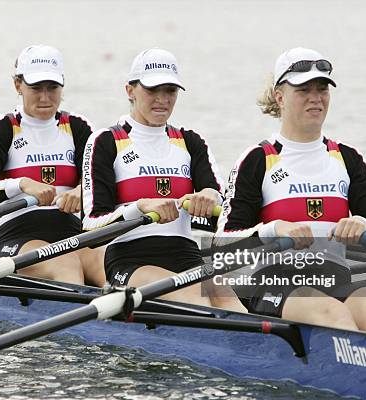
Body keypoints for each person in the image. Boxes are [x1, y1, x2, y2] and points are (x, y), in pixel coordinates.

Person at [215, 47, 366, 357]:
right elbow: (223, 244)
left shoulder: (347, 158)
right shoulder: (258, 159)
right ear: (279, 96)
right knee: (331, 313)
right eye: (303, 90)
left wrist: (365, 226)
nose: (316, 97)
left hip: (334, 278)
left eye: (322, 89)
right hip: (276, 285)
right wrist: (275, 229)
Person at [82, 48, 245, 311]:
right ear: (130, 90)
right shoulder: (106, 141)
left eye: (170, 91)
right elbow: (91, 226)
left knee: (231, 303)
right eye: (152, 90)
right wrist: (140, 207)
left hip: (186, 253)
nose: (162, 100)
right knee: (196, 299)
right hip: (131, 259)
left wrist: (210, 196)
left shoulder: (191, 142)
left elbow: (224, 215)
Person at [0, 44, 104, 286]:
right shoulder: (2, 129)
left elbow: (101, 182)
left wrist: (82, 191)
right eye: (36, 88)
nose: (45, 97)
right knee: (66, 265)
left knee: (107, 263)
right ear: (18, 85)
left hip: (72, 234)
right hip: (18, 236)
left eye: (52, 88)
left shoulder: (79, 127)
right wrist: (22, 184)